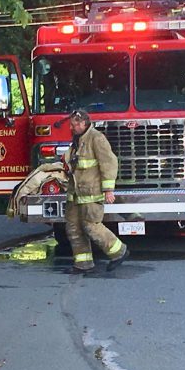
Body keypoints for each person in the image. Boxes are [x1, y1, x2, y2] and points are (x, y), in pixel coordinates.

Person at [62, 109, 128, 274]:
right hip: (75, 195)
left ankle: (119, 252)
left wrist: (108, 190)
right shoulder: (77, 141)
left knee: (91, 226)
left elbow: (109, 163)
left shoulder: (96, 138)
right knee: (73, 228)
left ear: (84, 123)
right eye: (71, 124)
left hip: (91, 194)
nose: (71, 127)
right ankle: (83, 264)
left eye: (74, 124)